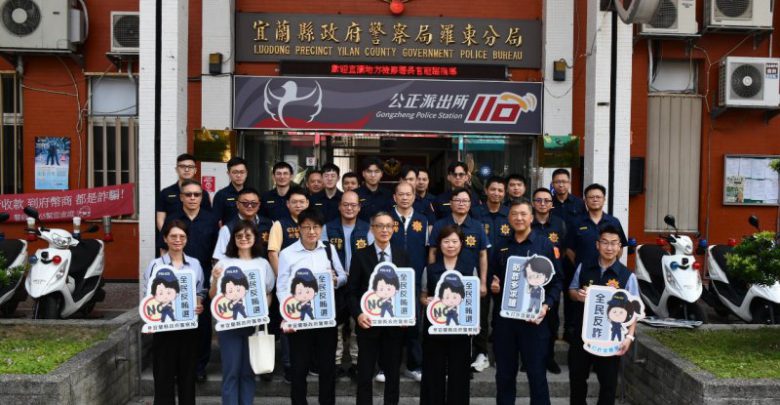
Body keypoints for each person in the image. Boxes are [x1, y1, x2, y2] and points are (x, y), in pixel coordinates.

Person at [489, 201, 562, 405]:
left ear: (531, 217)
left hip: (535, 320)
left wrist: (546, 306)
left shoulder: (545, 245)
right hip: (506, 321)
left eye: (523, 214)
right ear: (509, 218)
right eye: (514, 214)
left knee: (537, 374)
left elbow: (557, 282)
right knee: (504, 374)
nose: (519, 218)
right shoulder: (501, 245)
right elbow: (492, 277)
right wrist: (494, 285)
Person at [276, 207, 347, 405]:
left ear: (321, 229)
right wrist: (288, 311)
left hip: (325, 317)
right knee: (299, 367)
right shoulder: (287, 254)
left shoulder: (328, 249)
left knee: (327, 367)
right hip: (300, 319)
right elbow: (282, 286)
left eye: (316, 227)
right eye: (307, 227)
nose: (312, 231)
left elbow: (342, 275)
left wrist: (335, 280)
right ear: (299, 228)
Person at [568, 225, 639, 405]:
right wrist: (578, 295)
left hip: (610, 339)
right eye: (605, 242)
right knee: (577, 380)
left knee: (608, 384)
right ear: (597, 244)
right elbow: (572, 290)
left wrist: (629, 337)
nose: (609, 247)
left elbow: (634, 310)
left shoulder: (627, 276)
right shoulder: (584, 267)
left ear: (619, 247)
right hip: (582, 335)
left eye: (614, 243)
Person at [348, 211, 410, 405]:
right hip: (368, 325)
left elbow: (408, 290)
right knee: (365, 374)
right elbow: (351, 292)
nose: (384, 230)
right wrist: (358, 315)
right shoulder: (360, 256)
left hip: (394, 327)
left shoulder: (402, 255)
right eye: (380, 226)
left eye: (388, 226)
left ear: (394, 229)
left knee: (393, 375)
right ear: (372, 229)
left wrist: (407, 315)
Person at [209, 220, 275, 405]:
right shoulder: (223, 262)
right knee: (231, 372)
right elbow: (213, 295)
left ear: (255, 238)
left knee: (248, 371)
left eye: (248, 235)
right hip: (229, 326)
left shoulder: (262, 263)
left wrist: (262, 312)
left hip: (253, 326)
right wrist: (215, 279)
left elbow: (268, 292)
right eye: (239, 236)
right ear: (233, 239)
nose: (243, 239)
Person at [161, 180, 220, 382]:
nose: (193, 198)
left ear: (202, 197)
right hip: (175, 274)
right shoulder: (173, 219)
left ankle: (199, 366)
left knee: (202, 322)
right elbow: (164, 248)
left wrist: (214, 277)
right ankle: (178, 366)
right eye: (188, 194)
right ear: (181, 197)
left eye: (197, 194)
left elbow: (216, 252)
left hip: (203, 274)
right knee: (177, 321)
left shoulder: (211, 219)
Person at [142, 220, 206, 405]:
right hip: (164, 329)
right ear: (165, 238)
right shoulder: (155, 265)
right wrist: (150, 317)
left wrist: (199, 304)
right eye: (173, 236)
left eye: (182, 236)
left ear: (187, 239)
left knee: (187, 377)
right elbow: (148, 294)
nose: (178, 240)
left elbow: (200, 291)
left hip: (188, 328)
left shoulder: (194, 264)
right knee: (163, 377)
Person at [429, 188, 490, 372]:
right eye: (458, 200)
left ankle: (475, 356)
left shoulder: (477, 226)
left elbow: (483, 255)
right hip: (444, 283)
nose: (461, 203)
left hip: (469, 281)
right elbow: (432, 251)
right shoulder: (440, 225)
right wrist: (432, 278)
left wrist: (483, 282)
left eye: (465, 201)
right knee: (445, 318)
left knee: (472, 318)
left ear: (470, 204)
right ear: (451, 203)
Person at [419, 225, 474, 405]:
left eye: (454, 241)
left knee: (459, 375)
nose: (450, 245)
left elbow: (473, 300)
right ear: (440, 244)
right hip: (435, 329)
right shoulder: (430, 269)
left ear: (461, 244)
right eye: (446, 241)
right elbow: (423, 295)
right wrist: (426, 301)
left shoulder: (469, 269)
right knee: (433, 374)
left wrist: (473, 322)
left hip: (460, 330)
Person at [322, 190, 373, 378]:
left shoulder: (367, 228)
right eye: (345, 204)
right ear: (339, 206)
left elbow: (371, 256)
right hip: (336, 284)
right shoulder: (328, 228)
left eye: (353, 205)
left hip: (360, 285)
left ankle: (357, 362)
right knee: (335, 326)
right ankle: (335, 363)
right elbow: (322, 254)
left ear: (359, 208)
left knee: (357, 323)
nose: (349, 208)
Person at [267, 186, 309, 380]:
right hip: (287, 286)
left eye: (302, 202)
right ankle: (288, 364)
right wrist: (282, 279)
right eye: (294, 202)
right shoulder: (280, 224)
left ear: (307, 203)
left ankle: (306, 361)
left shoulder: (312, 224)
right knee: (288, 322)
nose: (298, 205)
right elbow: (272, 252)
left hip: (308, 286)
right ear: (287, 204)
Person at [472, 176, 511, 372]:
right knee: (481, 314)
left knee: (502, 316)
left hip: (505, 273)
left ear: (504, 193)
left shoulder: (510, 214)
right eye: (493, 189)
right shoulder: (476, 213)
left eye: (500, 190)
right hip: (481, 271)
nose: (496, 193)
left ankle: (501, 352)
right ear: (486, 191)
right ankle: (481, 353)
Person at [389, 181, 428, 381]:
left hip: (415, 279)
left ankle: (414, 365)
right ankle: (387, 366)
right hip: (388, 281)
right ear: (394, 197)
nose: (404, 198)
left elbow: (429, 251)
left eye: (408, 194)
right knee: (389, 323)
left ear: (414, 197)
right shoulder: (386, 219)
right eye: (401, 194)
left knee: (414, 324)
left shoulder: (423, 220)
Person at [531, 187, 568, 374]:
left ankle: (549, 358)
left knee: (552, 322)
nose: (542, 204)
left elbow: (565, 249)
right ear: (533, 203)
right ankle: (529, 359)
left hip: (552, 280)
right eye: (538, 200)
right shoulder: (528, 222)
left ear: (552, 204)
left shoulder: (559, 224)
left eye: (546, 200)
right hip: (530, 280)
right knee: (530, 319)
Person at [549, 168, 586, 342]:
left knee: (572, 294)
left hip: (572, 257)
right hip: (553, 257)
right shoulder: (548, 202)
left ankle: (569, 330)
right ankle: (553, 330)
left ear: (569, 183)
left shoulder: (579, 204)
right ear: (553, 184)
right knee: (553, 295)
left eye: (564, 181)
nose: (561, 185)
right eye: (557, 182)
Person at [213, 188, 273, 262]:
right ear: (237, 204)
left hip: (263, 268)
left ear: (259, 205)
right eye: (245, 203)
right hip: (237, 268)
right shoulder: (227, 229)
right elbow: (218, 258)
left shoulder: (269, 224)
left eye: (253, 203)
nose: (250, 206)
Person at [156, 153, 212, 231]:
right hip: (174, 236)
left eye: (190, 167)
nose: (186, 170)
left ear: (195, 170)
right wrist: (167, 235)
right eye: (182, 166)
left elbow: (208, 218)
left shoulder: (203, 193)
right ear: (176, 169)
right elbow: (160, 219)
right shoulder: (166, 193)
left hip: (197, 234)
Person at [212, 157, 249, 225]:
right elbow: (215, 221)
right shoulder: (221, 195)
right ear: (228, 173)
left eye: (242, 172)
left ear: (246, 173)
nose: (239, 175)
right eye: (235, 172)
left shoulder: (251, 194)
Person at [356, 158, 393, 222]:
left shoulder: (388, 194)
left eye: (376, 171)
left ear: (381, 174)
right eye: (369, 171)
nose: (373, 175)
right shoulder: (355, 194)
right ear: (363, 173)